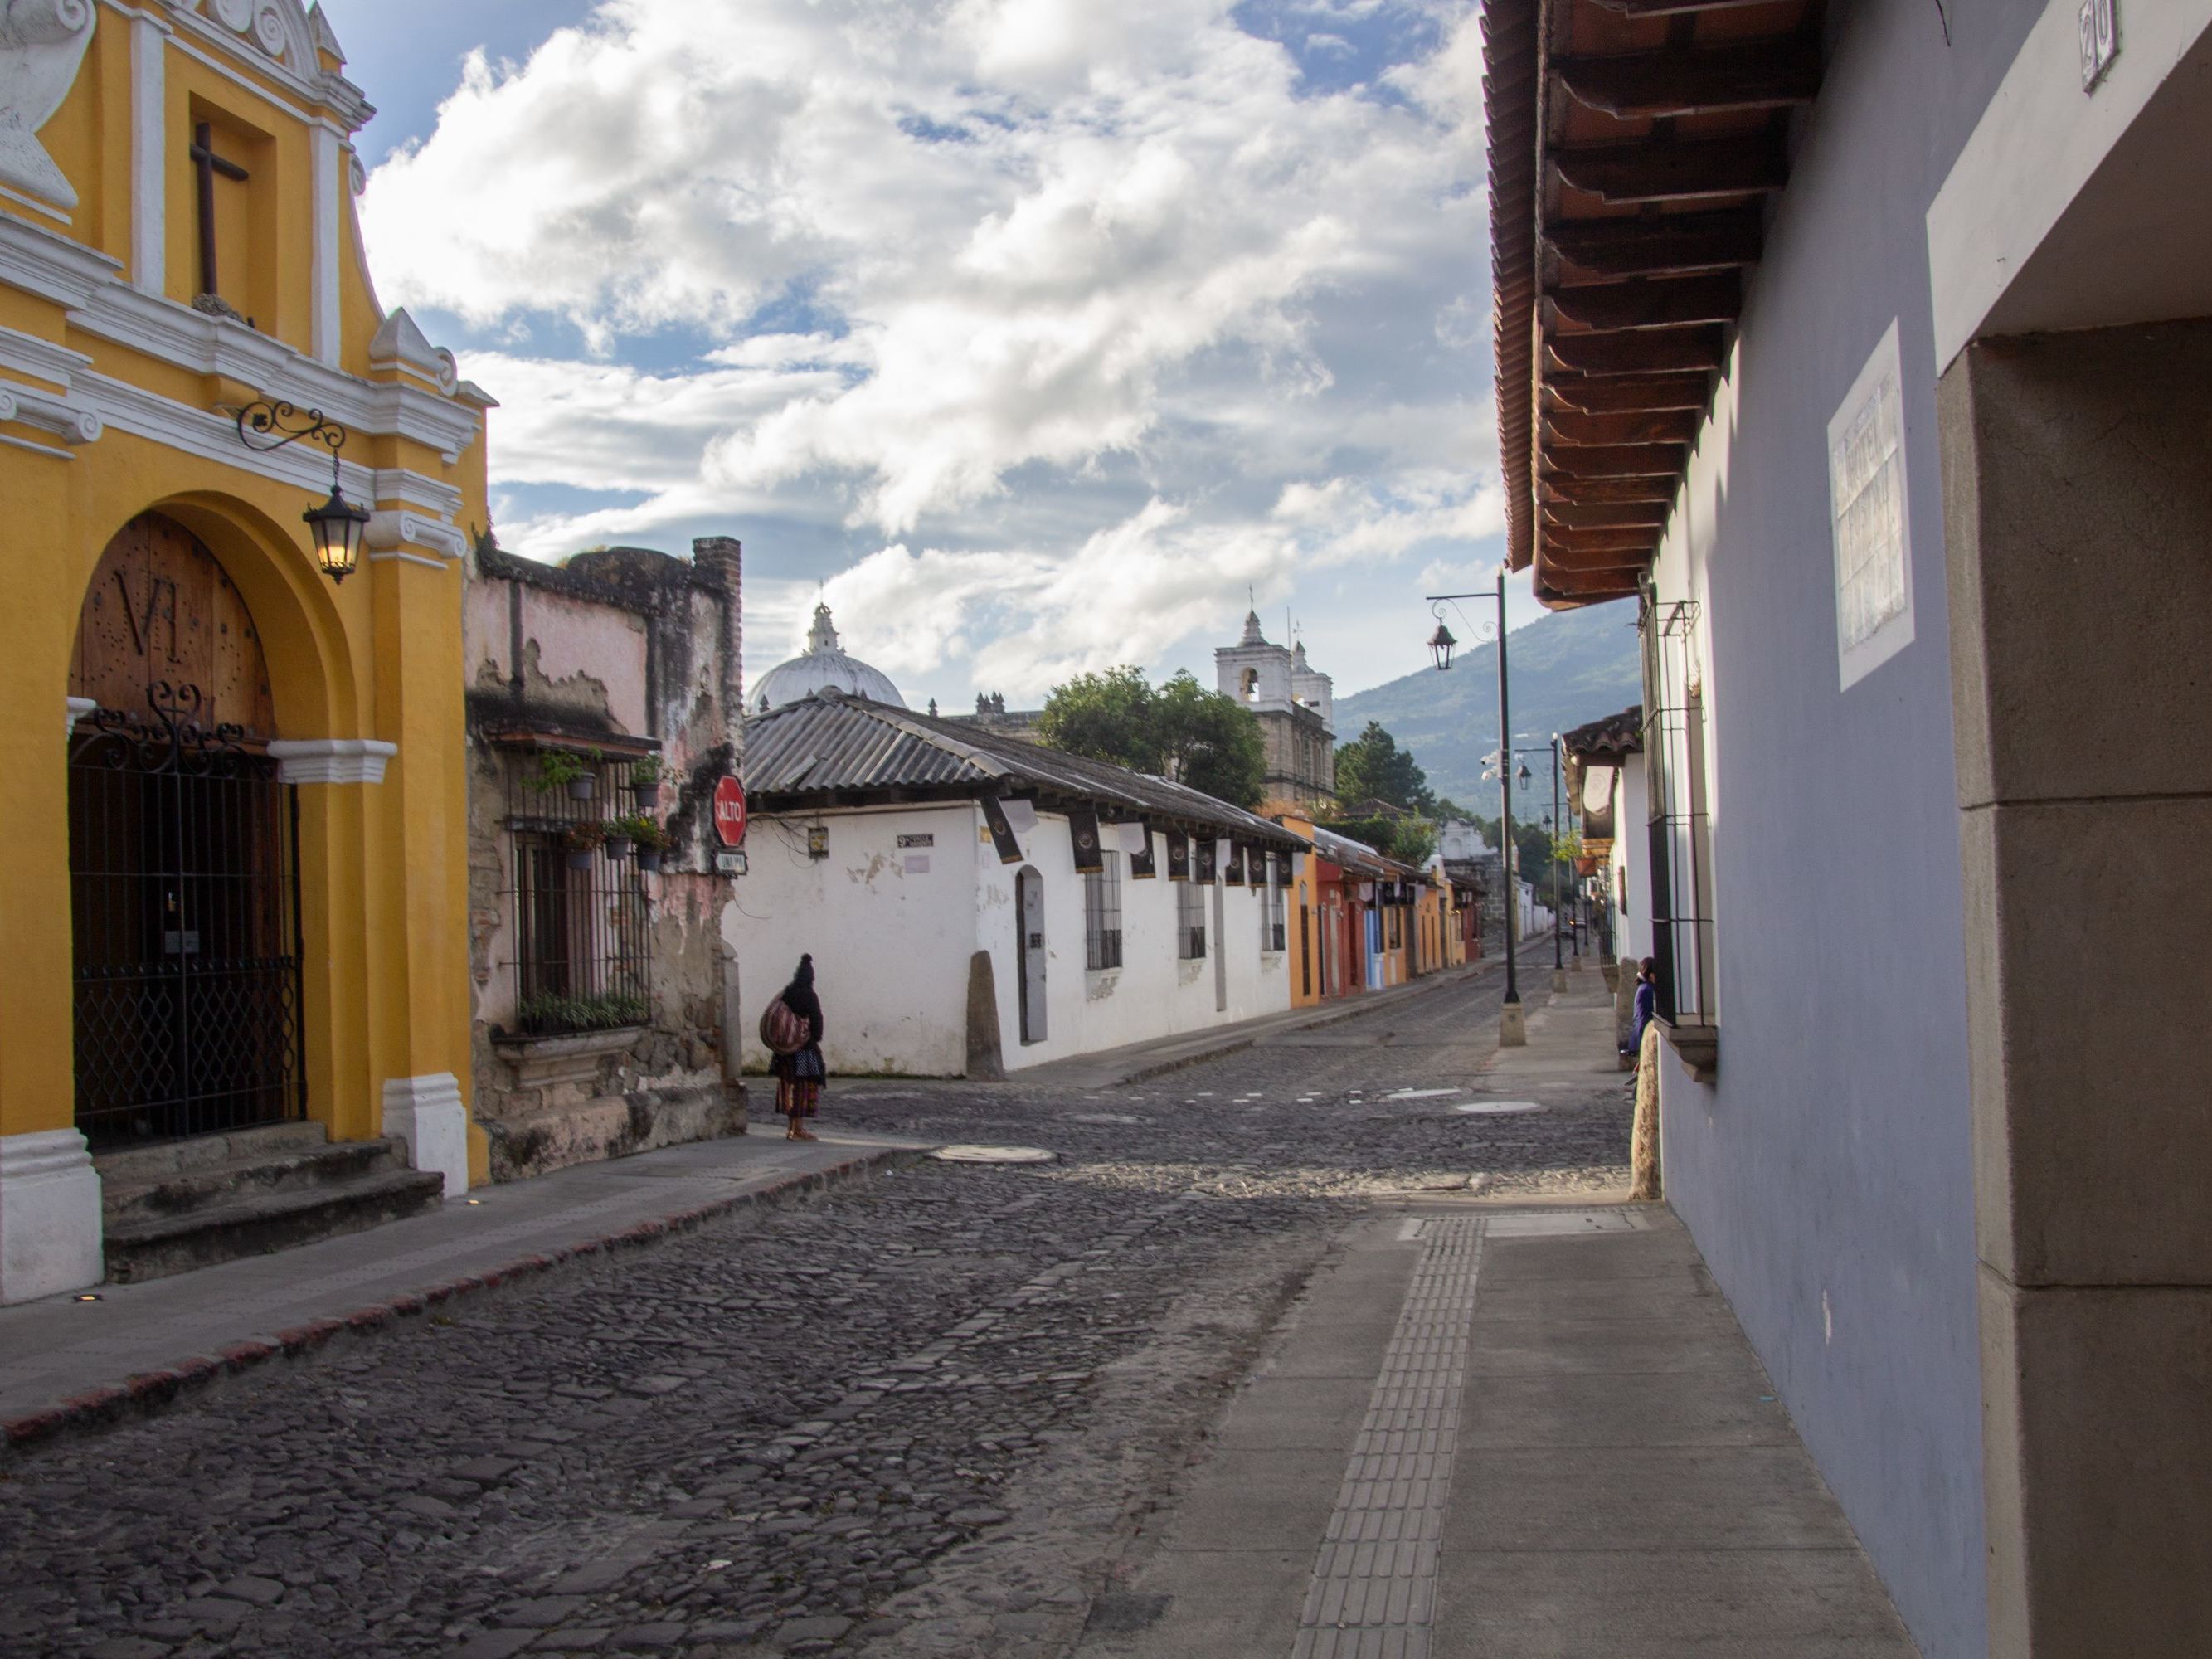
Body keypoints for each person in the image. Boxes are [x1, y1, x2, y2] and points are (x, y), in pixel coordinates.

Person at [770, 955, 827, 1141]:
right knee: (802, 1086)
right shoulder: (809, 995)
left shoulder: (787, 993)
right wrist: (815, 1037)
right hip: (803, 1051)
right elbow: (817, 1022)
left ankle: (790, 1128)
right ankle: (798, 1129)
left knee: (788, 1085)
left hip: (784, 1053)